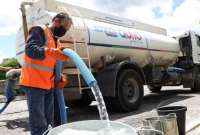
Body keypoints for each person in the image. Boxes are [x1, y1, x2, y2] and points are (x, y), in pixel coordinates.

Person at [19, 12, 72, 135]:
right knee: (39, 124)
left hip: (48, 85)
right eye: (64, 27)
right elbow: (30, 50)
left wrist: (59, 77)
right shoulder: (39, 30)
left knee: (49, 123)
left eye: (67, 29)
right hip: (33, 84)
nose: (64, 31)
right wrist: (52, 52)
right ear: (56, 21)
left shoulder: (56, 42)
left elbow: (50, 64)